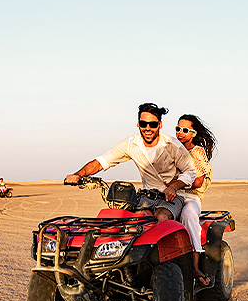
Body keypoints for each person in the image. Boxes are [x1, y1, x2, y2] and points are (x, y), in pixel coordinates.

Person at [65, 103, 196, 222]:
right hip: (147, 196)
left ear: (160, 125)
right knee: (135, 219)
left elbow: (190, 171)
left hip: (172, 197)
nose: (148, 128)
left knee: (161, 217)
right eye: (144, 124)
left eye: (153, 124)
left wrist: (174, 187)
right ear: (138, 124)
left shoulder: (172, 145)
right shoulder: (131, 144)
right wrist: (79, 174)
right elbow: (102, 161)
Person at [175, 114, 216, 285]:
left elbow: (198, 181)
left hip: (190, 197)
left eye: (185, 130)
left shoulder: (197, 152)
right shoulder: (172, 149)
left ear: (193, 133)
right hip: (171, 195)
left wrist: (174, 184)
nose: (180, 132)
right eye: (178, 128)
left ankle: (195, 266)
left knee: (188, 215)